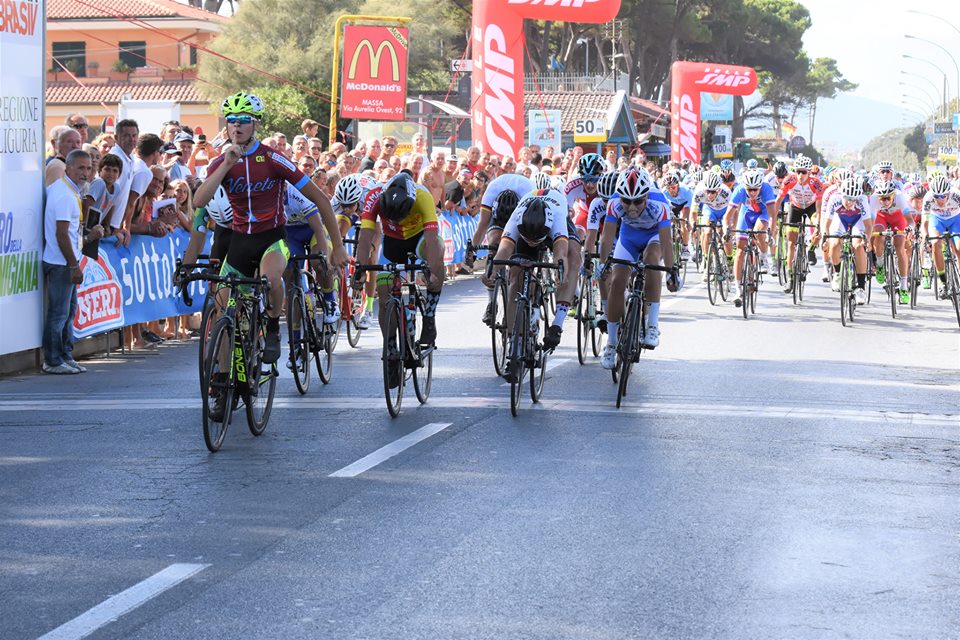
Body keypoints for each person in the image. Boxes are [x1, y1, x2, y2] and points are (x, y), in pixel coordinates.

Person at [194, 91, 348, 373]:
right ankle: (223, 376)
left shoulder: (274, 159)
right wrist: (226, 163)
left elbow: (321, 200)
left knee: (271, 278)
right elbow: (198, 201)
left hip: (272, 238)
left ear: (256, 125)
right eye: (231, 121)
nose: (236, 127)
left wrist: (336, 246)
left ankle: (273, 326)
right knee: (222, 310)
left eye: (243, 121)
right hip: (240, 242)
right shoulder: (220, 162)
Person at [353, 172, 444, 366]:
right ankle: (391, 346)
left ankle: (429, 315)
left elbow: (432, 239)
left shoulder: (423, 196)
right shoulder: (374, 196)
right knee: (385, 297)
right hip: (392, 244)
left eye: (401, 216)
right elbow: (365, 238)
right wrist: (359, 271)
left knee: (438, 248)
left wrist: (433, 271)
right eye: (390, 217)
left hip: (419, 239)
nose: (396, 220)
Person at [482, 188, 571, 376]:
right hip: (526, 222)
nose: (532, 242)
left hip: (551, 228)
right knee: (515, 276)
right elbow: (503, 251)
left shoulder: (557, 217)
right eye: (527, 238)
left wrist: (559, 270)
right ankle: (514, 345)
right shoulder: (516, 218)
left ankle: (556, 319)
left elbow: (560, 254)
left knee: (572, 258)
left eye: (534, 239)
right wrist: (492, 272)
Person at [599, 169, 679, 369]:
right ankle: (611, 343)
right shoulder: (614, 203)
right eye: (627, 201)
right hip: (629, 238)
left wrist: (670, 271)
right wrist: (602, 264)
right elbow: (607, 237)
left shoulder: (659, 204)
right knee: (617, 282)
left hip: (654, 237)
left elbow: (666, 242)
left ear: (646, 196)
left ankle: (652, 325)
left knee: (652, 259)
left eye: (637, 201)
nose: (632, 207)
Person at [42, 149, 99, 374]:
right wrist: (73, 265)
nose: (85, 173)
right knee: (59, 314)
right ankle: (53, 361)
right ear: (68, 168)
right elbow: (62, 234)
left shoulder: (69, 190)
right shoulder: (65, 194)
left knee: (68, 312)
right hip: (61, 263)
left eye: (88, 168)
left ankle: (65, 355)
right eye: (80, 168)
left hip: (65, 261)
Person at [725, 169, 776, 307]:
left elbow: (772, 215)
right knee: (740, 251)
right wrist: (727, 230)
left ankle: (764, 257)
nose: (752, 193)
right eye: (749, 189)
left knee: (759, 232)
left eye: (755, 189)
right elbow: (728, 216)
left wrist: (771, 232)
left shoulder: (766, 189)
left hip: (763, 214)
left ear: (760, 187)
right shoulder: (739, 190)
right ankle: (738, 290)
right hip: (746, 215)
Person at [775, 156, 824, 293]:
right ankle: (790, 277)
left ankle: (811, 249)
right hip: (795, 207)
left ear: (809, 172)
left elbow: (819, 208)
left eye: (804, 172)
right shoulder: (789, 180)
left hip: (811, 207)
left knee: (819, 226)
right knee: (791, 243)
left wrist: (818, 225)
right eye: (798, 172)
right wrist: (774, 218)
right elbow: (779, 199)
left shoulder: (816, 183)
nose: (800, 175)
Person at [869, 179, 913, 304]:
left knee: (900, 249)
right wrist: (868, 237)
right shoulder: (873, 198)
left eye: (888, 197)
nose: (886, 201)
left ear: (893, 194)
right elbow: (870, 223)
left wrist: (910, 228)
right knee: (878, 236)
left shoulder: (900, 197)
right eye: (882, 199)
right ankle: (880, 263)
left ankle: (904, 287)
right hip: (881, 217)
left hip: (897, 218)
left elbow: (909, 219)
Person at [921, 174, 960, 296]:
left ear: (948, 193)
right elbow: (924, 222)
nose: (940, 200)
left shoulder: (956, 194)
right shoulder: (928, 198)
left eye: (943, 196)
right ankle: (943, 282)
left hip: (955, 220)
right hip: (937, 221)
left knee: (959, 248)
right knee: (935, 243)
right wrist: (925, 238)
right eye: (937, 197)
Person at [83, 153, 123, 234]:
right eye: (107, 169)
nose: (111, 174)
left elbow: (111, 207)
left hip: (97, 227)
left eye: (115, 171)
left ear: (119, 174)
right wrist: (85, 228)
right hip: (86, 226)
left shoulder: (117, 188)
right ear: (100, 171)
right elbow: (86, 204)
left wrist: (107, 226)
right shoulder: (99, 183)